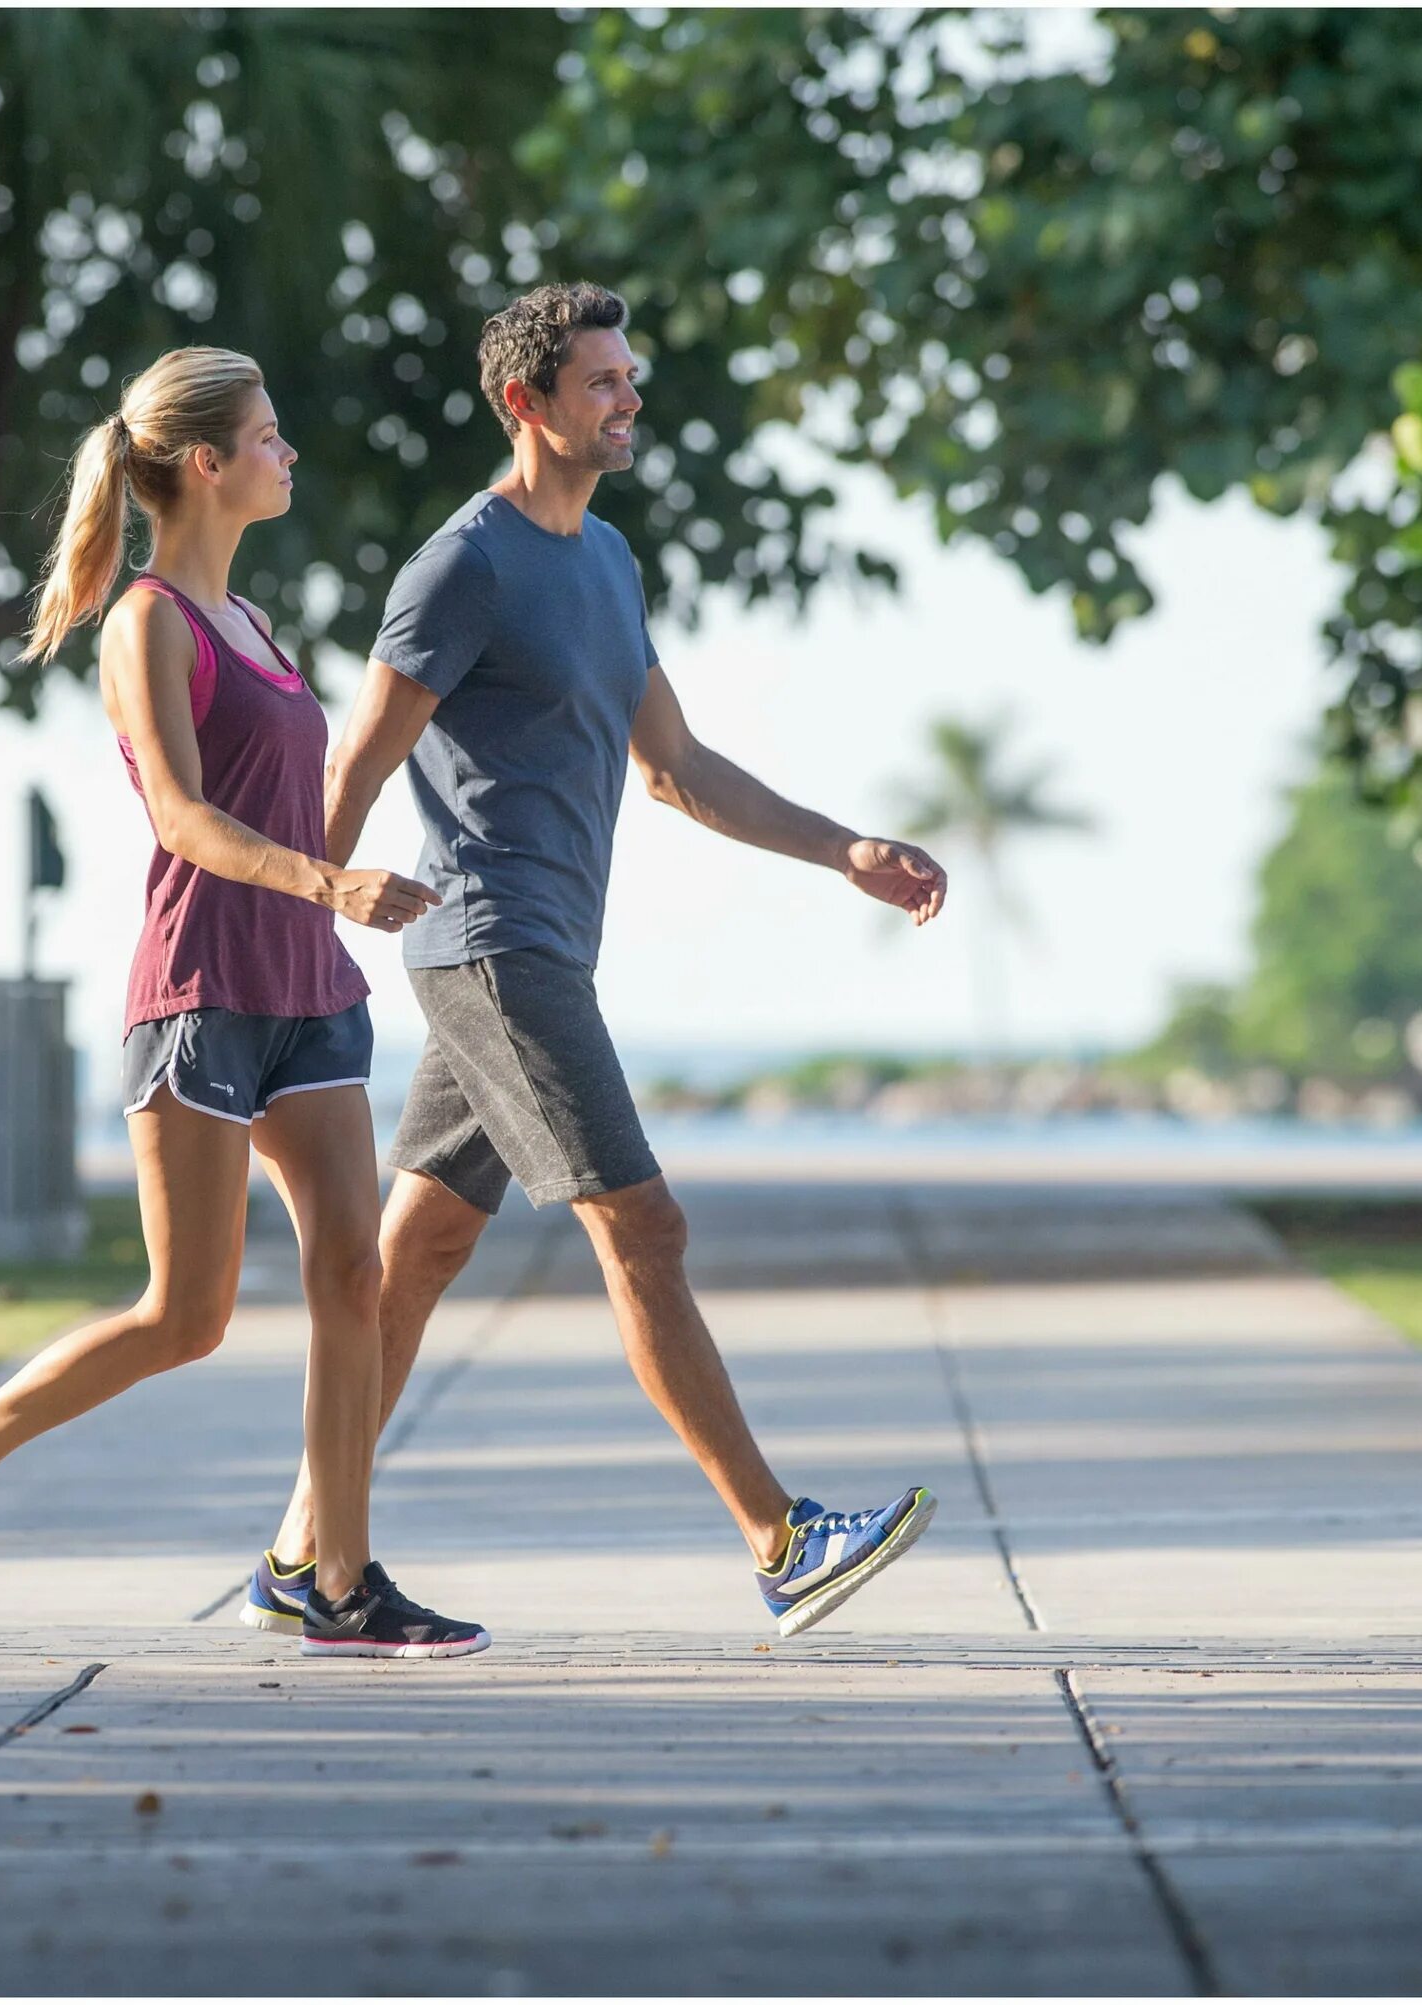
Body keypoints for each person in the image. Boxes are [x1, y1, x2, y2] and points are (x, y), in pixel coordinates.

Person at [238, 285, 948, 1643]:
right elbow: (360, 760)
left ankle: (300, 1553)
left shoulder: (608, 564)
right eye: (603, 383)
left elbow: (676, 771)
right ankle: (781, 1537)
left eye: (631, 378)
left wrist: (843, 846)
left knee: (421, 1255)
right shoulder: (465, 567)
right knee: (645, 1226)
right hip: (492, 949)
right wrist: (295, 922)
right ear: (528, 402)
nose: (629, 401)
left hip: (534, 950)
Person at [0, 346, 488, 1661]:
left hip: (309, 989)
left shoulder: (257, 625)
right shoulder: (151, 622)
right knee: (185, 1314)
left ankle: (338, 1577)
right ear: (205, 464)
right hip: (201, 995)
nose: (288, 455)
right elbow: (184, 819)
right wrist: (329, 876)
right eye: (269, 436)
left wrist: (345, 894)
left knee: (351, 1273)